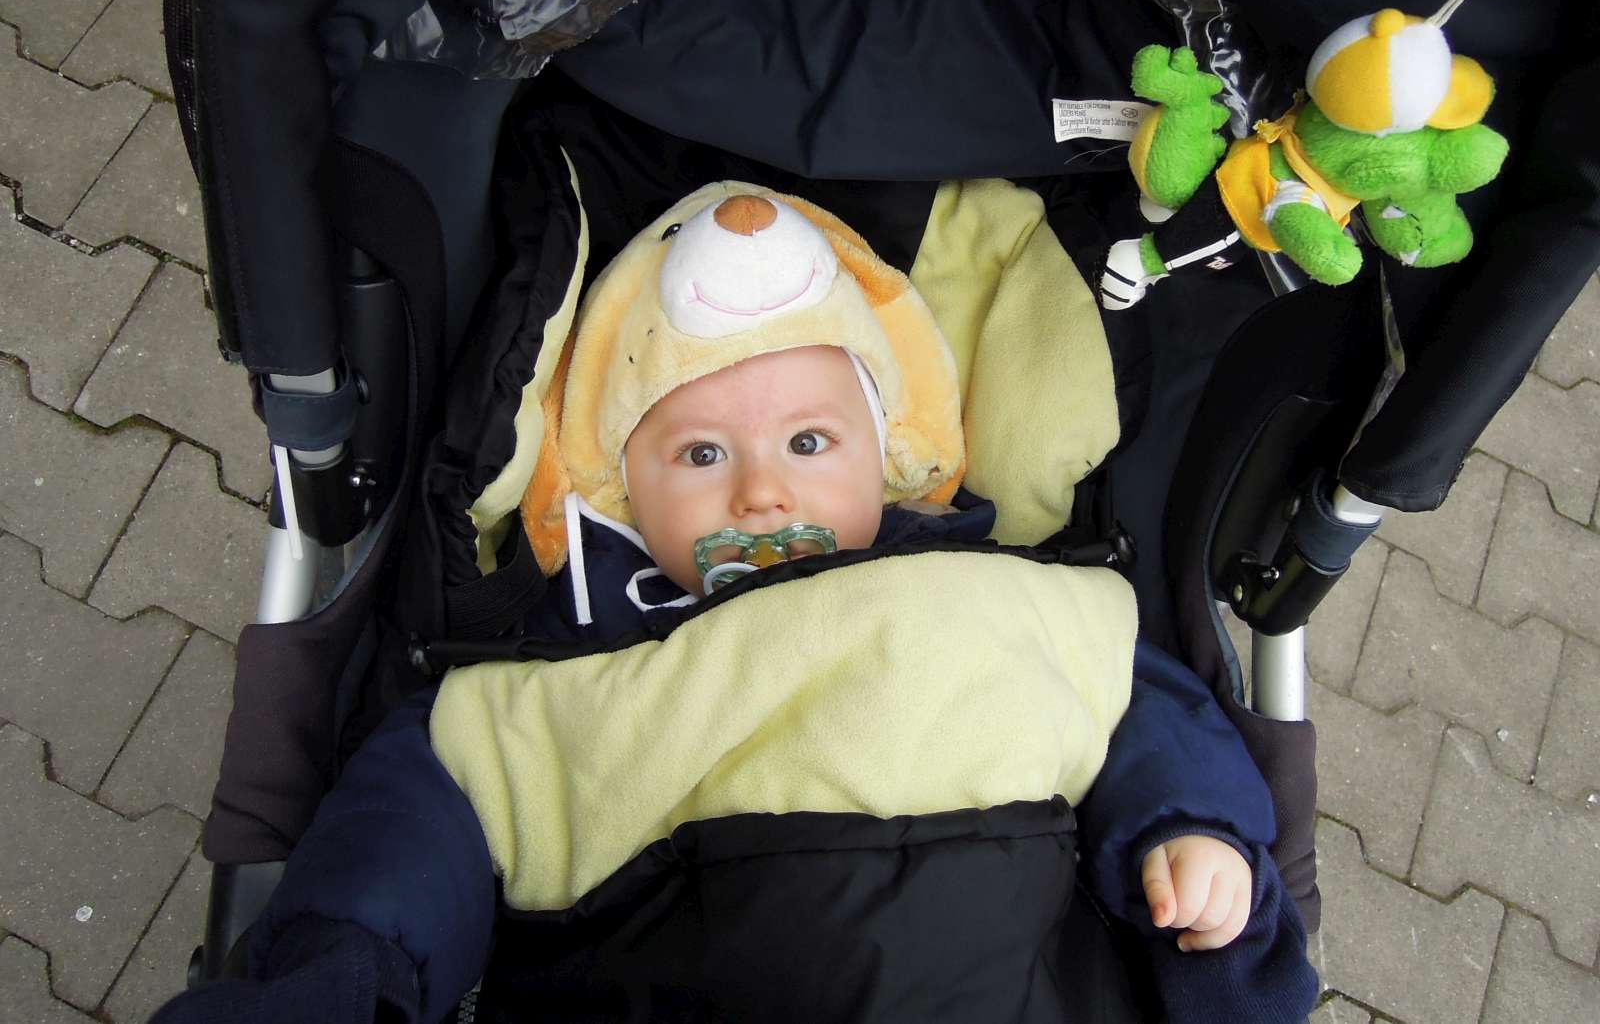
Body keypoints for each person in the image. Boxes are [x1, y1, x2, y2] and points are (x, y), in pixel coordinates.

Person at [156, 187, 1317, 1024]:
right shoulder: (566, 666)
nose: (762, 490)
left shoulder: (1002, 596)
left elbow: (1140, 705)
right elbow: (425, 812)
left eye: (810, 441)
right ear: (617, 488)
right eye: (701, 452)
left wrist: (1190, 830)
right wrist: (343, 963)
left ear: (893, 454)